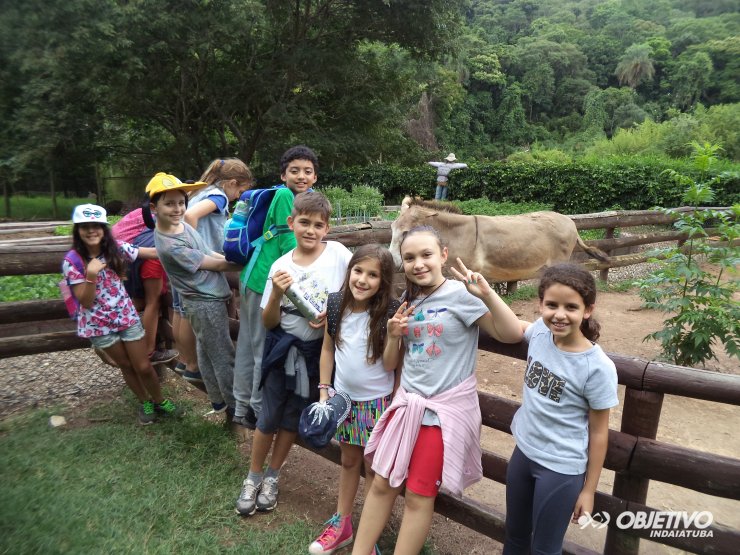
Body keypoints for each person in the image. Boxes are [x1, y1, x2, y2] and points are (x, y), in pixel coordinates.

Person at [351, 225, 523, 555]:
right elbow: (391, 364)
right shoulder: (408, 300)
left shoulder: (462, 295)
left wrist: (487, 294)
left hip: (440, 414)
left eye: (426, 255)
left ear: (443, 255)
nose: (418, 264)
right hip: (407, 407)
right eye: (410, 258)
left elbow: (511, 333)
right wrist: (394, 336)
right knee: (381, 482)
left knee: (418, 494)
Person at [235, 191, 352, 517]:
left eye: (318, 225)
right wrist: (277, 293)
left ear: (327, 228)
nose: (311, 230)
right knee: (268, 416)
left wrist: (334, 314)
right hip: (282, 350)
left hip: (316, 353)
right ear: (291, 222)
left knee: (291, 418)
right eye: (304, 222)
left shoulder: (339, 255)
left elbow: (355, 289)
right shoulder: (280, 265)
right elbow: (268, 321)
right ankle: (252, 477)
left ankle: (273, 476)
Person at [503, 263, 618, 555]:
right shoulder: (540, 333)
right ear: (540, 304)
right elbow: (517, 327)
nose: (559, 314)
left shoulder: (597, 368)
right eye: (552, 305)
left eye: (571, 307)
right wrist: (484, 295)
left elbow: (599, 433)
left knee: (545, 548)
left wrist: (589, 490)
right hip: (524, 452)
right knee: (514, 536)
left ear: (587, 310)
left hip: (561, 468)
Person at [308, 244, 400, 555]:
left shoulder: (390, 312)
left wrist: (394, 336)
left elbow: (393, 365)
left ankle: (367, 536)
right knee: (348, 461)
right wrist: (324, 390)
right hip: (344, 401)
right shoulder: (336, 304)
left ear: (383, 282)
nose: (362, 280)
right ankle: (342, 524)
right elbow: (327, 349)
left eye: (372, 275)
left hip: (378, 404)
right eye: (358, 271)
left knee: (373, 470)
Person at [62, 203, 181, 425]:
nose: (91, 231)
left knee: (143, 365)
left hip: (125, 316)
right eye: (85, 226)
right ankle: (145, 402)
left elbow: (150, 253)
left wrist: (182, 247)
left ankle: (160, 401)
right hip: (98, 324)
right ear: (78, 230)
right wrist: (91, 275)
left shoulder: (114, 249)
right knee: (126, 365)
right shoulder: (73, 261)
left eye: (96, 226)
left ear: (103, 229)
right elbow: (85, 301)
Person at [232, 145, 319, 429]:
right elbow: (289, 243)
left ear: (315, 177)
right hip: (264, 281)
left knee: (247, 343)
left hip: (255, 275)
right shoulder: (284, 196)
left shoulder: (294, 197)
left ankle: (241, 404)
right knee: (260, 347)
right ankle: (256, 410)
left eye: (307, 171)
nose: (301, 176)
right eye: (294, 171)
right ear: (283, 175)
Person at [148, 172, 243, 418]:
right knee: (223, 354)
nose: (178, 209)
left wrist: (232, 258)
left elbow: (207, 251)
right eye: (169, 204)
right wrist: (247, 263)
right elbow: (214, 264)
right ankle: (236, 408)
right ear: (154, 208)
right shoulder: (170, 244)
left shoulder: (179, 227)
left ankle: (219, 401)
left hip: (205, 300)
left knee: (207, 350)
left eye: (181, 202)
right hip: (204, 303)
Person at [173, 158, 253, 386]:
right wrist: (192, 247)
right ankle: (193, 366)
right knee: (188, 313)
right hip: (199, 261)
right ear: (232, 183)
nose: (238, 197)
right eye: (240, 191)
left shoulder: (201, 191)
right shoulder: (218, 196)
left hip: (183, 259)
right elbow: (190, 216)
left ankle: (183, 360)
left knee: (179, 309)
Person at [112, 206, 178, 366]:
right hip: (149, 255)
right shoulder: (170, 214)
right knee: (153, 303)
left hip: (128, 254)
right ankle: (149, 351)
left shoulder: (143, 210)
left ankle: (111, 336)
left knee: (138, 302)